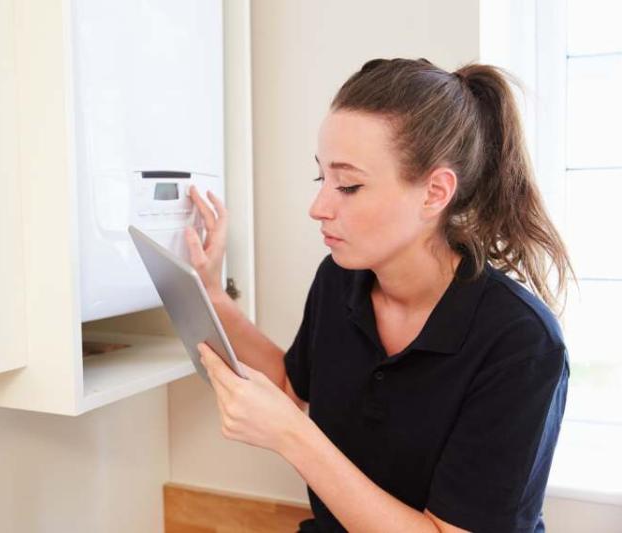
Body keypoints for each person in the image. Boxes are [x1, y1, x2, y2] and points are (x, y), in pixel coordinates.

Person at [184, 57, 572, 533]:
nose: (319, 207)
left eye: (348, 185)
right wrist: (209, 291)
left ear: (435, 193)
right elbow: (292, 388)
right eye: (320, 178)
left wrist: (292, 436)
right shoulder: (341, 279)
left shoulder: (521, 343)